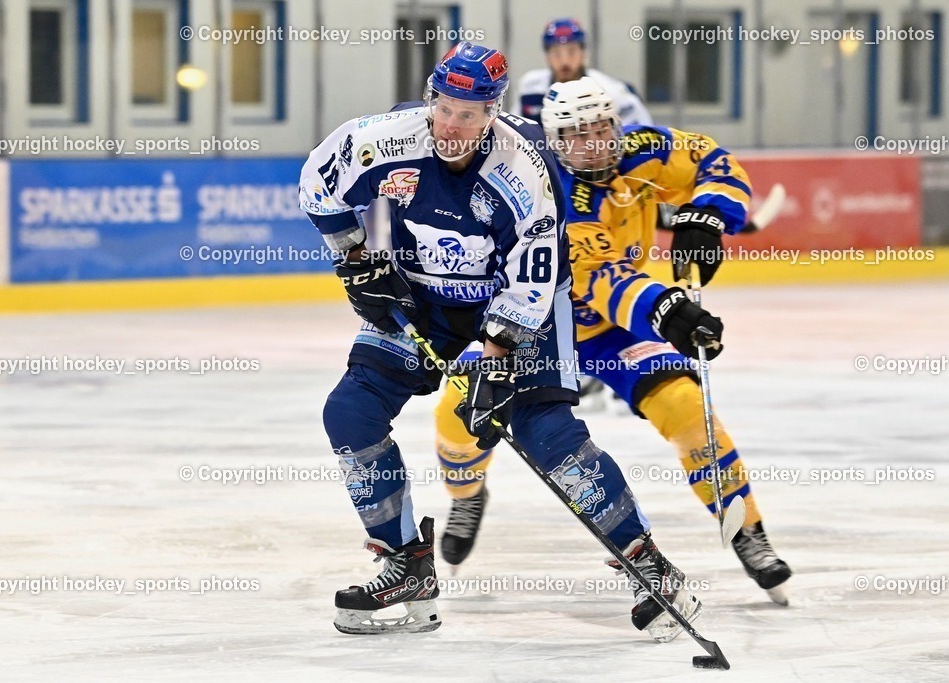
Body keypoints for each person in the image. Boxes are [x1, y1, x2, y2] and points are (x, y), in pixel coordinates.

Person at [300, 43, 703, 640]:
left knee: (549, 435)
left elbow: (533, 276)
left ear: (493, 112)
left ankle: (650, 566)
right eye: (443, 107)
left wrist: (496, 360)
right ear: (431, 98)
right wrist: (355, 258)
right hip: (426, 298)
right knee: (350, 412)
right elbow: (318, 184)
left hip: (523, 305)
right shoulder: (384, 138)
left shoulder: (523, 169)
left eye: (468, 113)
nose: (451, 125)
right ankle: (404, 562)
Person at [433, 76, 793, 605]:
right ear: (556, 142)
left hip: (610, 332)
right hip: (527, 324)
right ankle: (466, 494)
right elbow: (603, 280)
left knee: (690, 409)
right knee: (458, 415)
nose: (594, 143)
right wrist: (669, 311)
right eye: (577, 135)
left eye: (601, 128)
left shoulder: (643, 149)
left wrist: (708, 215)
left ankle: (747, 531)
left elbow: (714, 161)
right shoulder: (546, 188)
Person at [514, 18, 652, 127]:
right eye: (556, 52)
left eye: (572, 51)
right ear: (547, 57)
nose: (564, 61)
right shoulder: (530, 88)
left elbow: (643, 134)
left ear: (583, 53)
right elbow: (513, 134)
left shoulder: (611, 91)